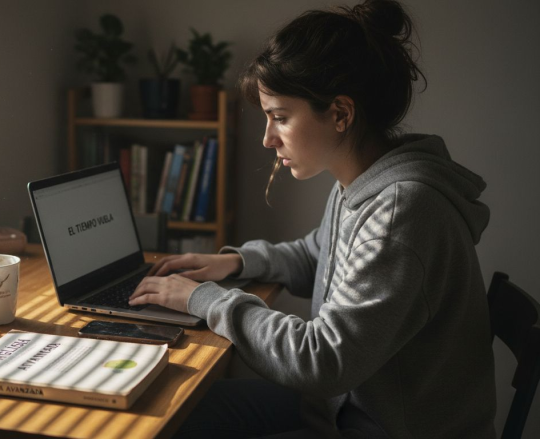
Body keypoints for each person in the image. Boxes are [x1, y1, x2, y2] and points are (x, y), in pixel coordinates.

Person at [128, 0, 497, 437]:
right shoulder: (363, 182)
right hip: (340, 410)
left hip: (373, 426)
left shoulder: (402, 212)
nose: (268, 139)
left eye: (279, 118)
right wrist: (237, 263)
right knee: (173, 414)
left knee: (165, 420)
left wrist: (203, 299)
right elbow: (318, 255)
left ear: (340, 113)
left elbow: (321, 361)